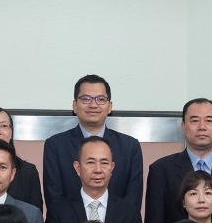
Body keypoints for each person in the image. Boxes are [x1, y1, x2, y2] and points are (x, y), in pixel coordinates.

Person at [42, 74, 142, 213]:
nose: (93, 104)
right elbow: (54, 199)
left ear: (109, 106)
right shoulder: (55, 145)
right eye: (86, 99)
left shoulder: (130, 147)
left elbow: (133, 200)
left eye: (100, 99)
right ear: (74, 106)